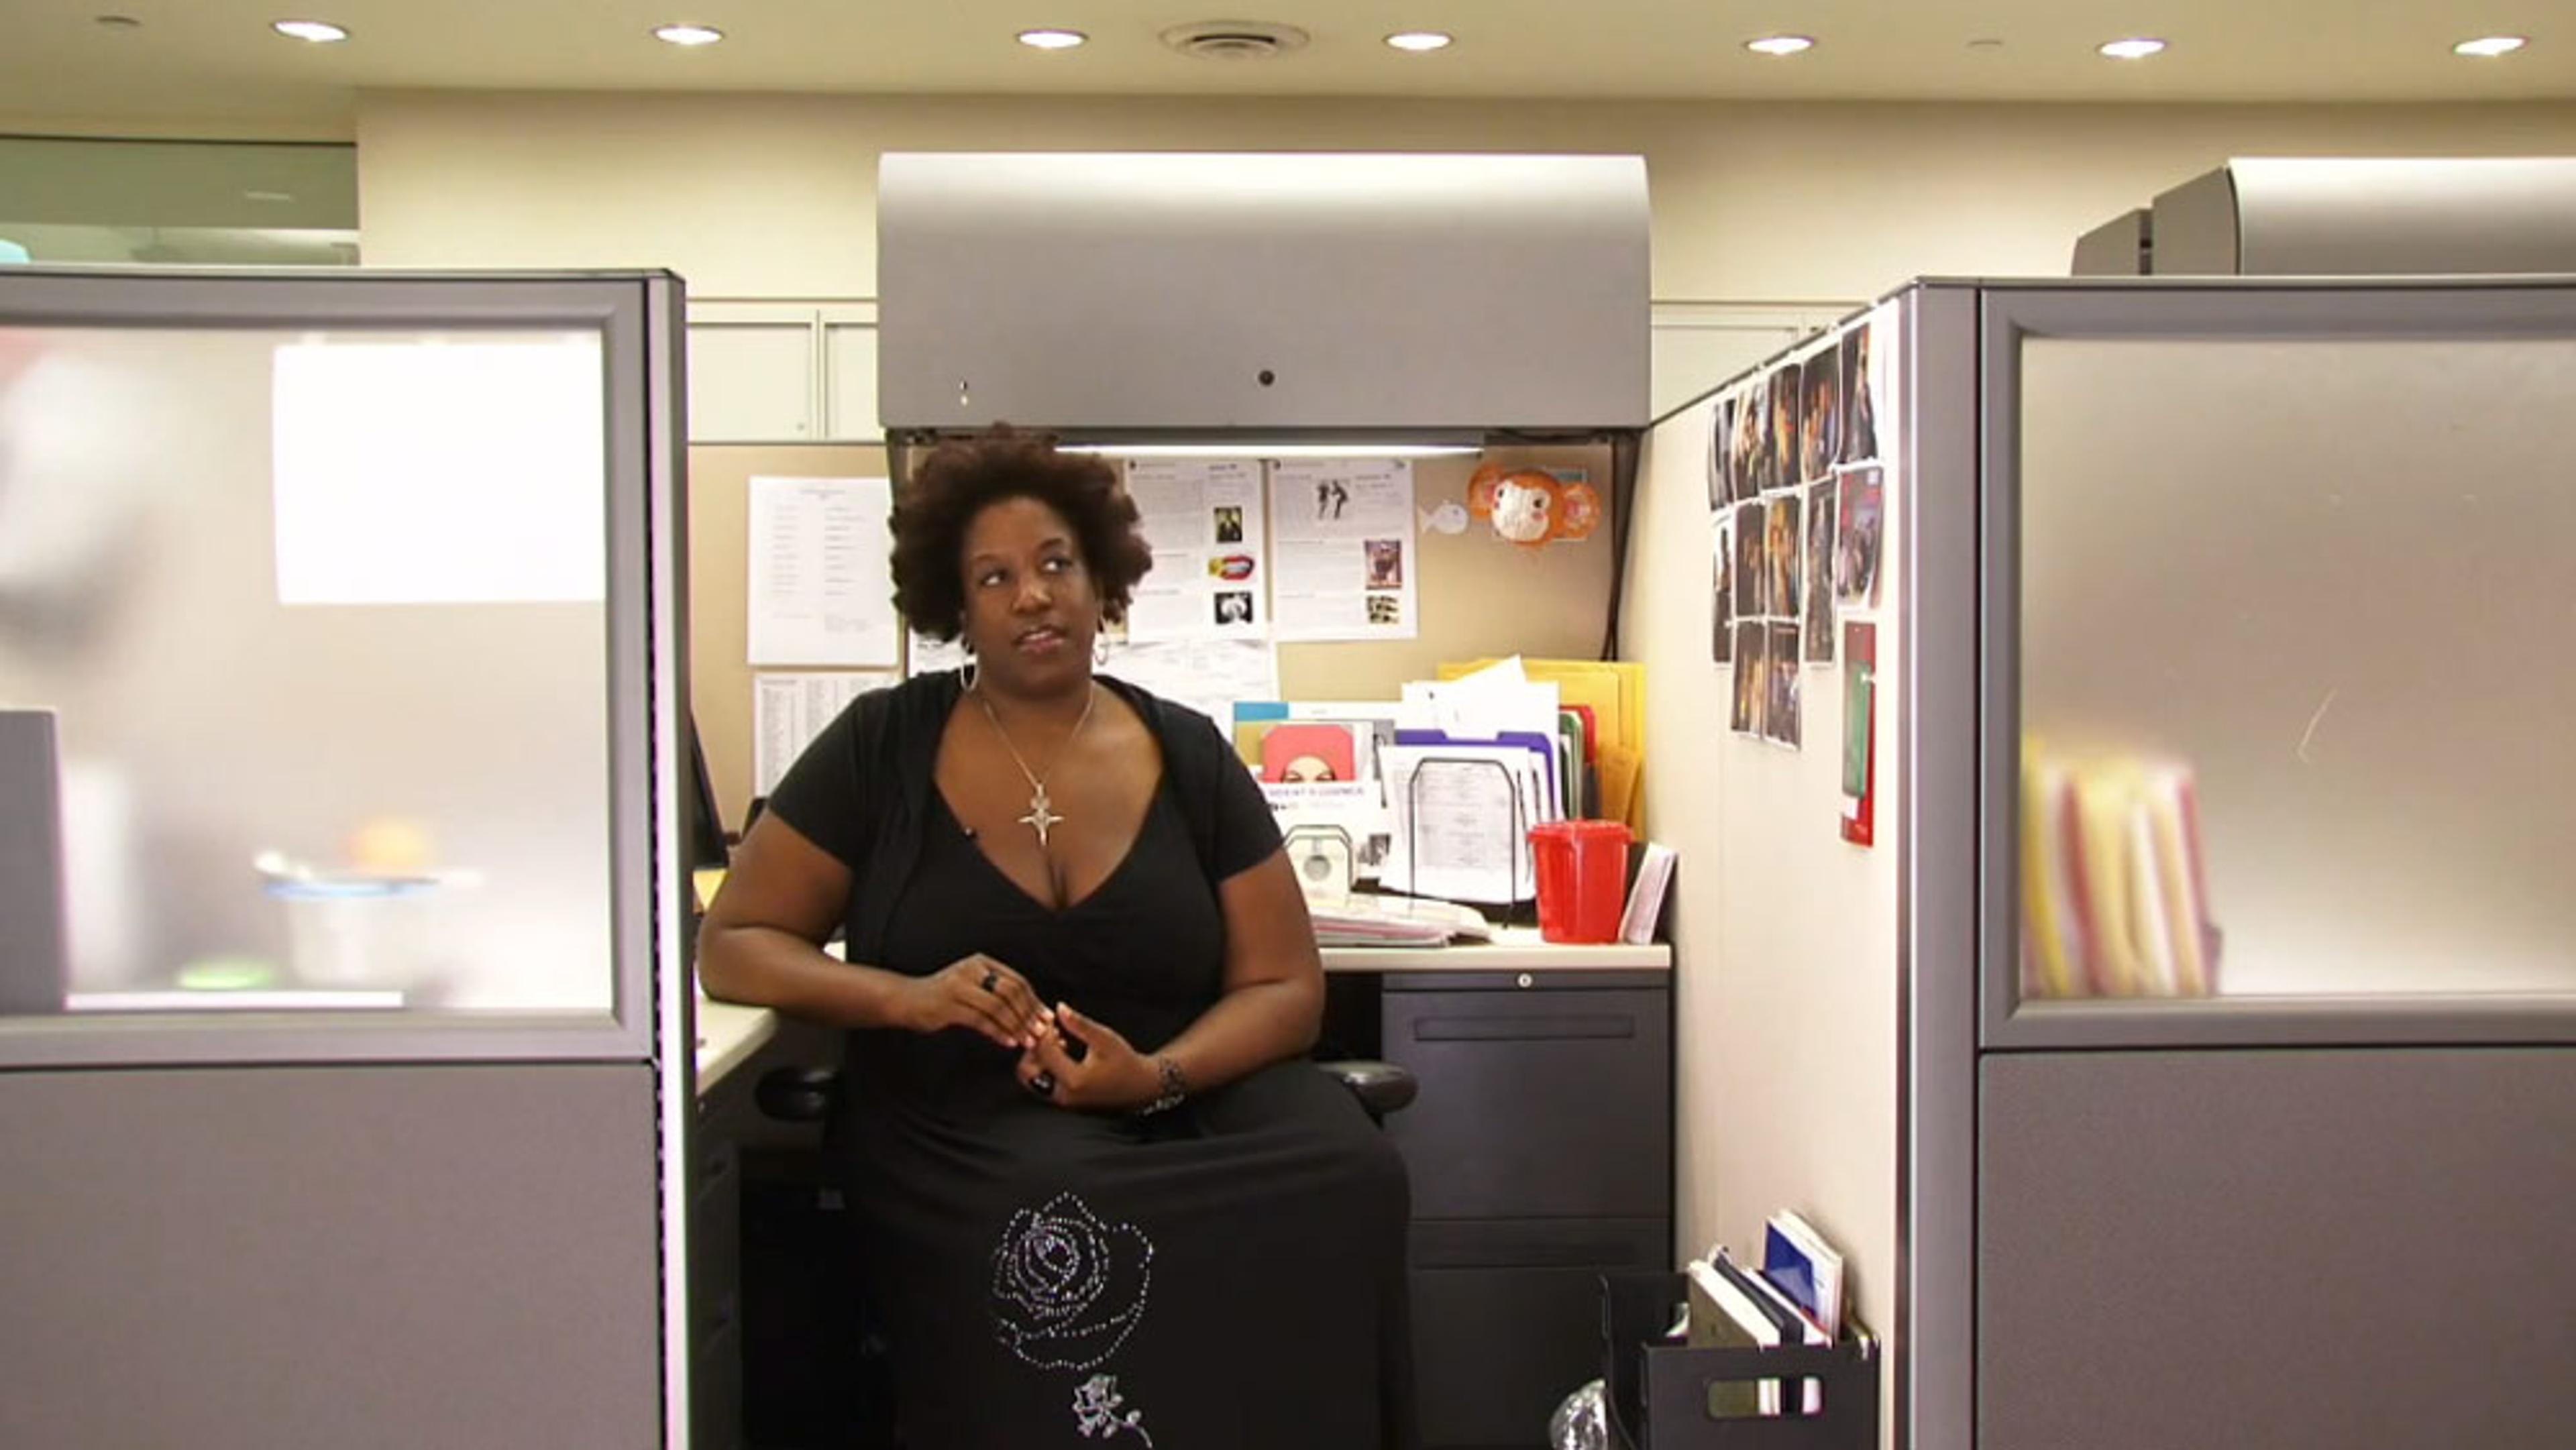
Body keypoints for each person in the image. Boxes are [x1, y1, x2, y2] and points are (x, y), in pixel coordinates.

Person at [696, 427, 1415, 1450]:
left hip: (1176, 1086)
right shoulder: (880, 744)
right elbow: (737, 939)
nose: (1032, 594)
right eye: (995, 576)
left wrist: (1155, 1075)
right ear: (959, 607)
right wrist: (904, 996)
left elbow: (1285, 988)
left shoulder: (1186, 752)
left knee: (1353, 1168)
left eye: (1054, 564)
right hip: (967, 1111)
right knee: (1057, 1202)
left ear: (1101, 581)